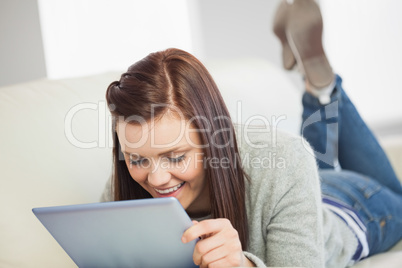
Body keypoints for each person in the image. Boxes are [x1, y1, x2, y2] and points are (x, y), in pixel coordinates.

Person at [100, 1, 402, 267]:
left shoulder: (284, 159)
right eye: (138, 160)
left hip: (351, 204)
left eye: (176, 157)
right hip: (294, 187)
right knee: (308, 165)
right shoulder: (126, 177)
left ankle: (323, 90)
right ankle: (319, 88)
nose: (155, 179)